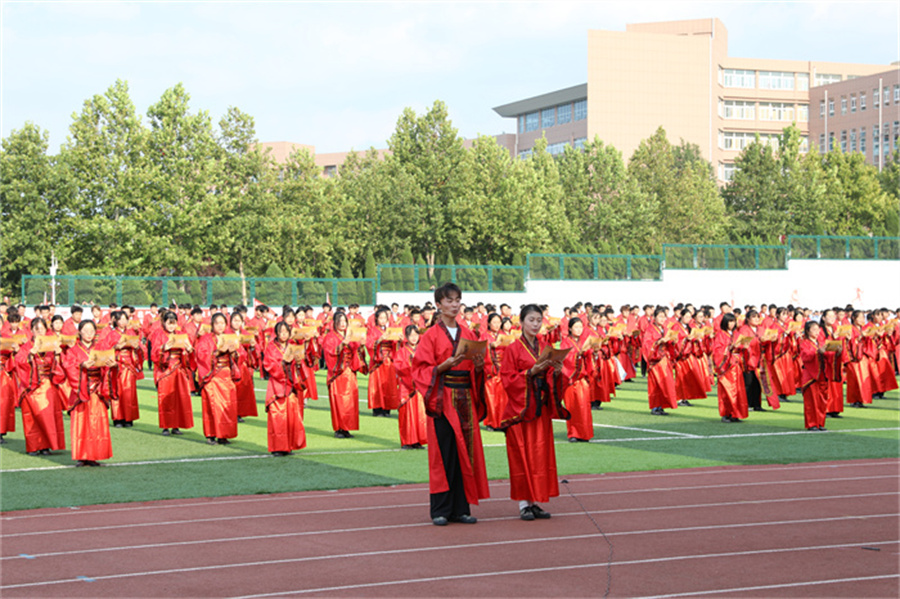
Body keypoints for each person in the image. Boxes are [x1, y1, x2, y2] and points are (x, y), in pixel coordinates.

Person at [412, 283, 489, 526]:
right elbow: (419, 369)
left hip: (465, 397)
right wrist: (441, 367)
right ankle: (441, 509)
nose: (455, 305)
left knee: (464, 452)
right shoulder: (430, 335)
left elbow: (480, 367)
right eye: (449, 300)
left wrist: (479, 367)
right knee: (443, 453)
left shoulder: (469, 333)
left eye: (457, 300)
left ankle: (461, 508)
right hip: (442, 398)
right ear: (438, 304)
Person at [500, 303, 568, 521]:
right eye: (531, 320)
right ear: (521, 322)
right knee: (522, 455)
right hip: (521, 409)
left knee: (539, 455)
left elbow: (551, 377)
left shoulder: (545, 346)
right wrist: (530, 372)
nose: (536, 324)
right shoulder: (512, 349)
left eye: (539, 320)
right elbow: (507, 379)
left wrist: (556, 373)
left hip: (540, 407)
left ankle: (535, 501)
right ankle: (524, 504)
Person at [62, 320, 114, 466]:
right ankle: (82, 455)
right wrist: (81, 366)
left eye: (92, 331)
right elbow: (68, 366)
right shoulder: (73, 350)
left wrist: (112, 366)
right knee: (81, 423)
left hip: (97, 390)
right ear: (79, 332)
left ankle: (94, 455)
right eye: (85, 331)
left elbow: (107, 366)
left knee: (96, 423)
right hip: (81, 390)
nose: (89, 334)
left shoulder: (101, 348)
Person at [14, 318, 67, 455]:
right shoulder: (26, 347)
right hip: (31, 386)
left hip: (48, 385)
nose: (39, 332)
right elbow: (19, 362)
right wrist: (31, 354)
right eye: (36, 329)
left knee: (49, 416)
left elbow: (61, 367)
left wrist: (57, 355)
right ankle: (34, 446)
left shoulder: (51, 346)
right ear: (31, 330)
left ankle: (46, 446)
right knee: (32, 418)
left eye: (42, 329)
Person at [195, 313, 241, 445]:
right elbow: (201, 355)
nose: (220, 326)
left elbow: (241, 354)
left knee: (227, 406)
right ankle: (211, 435)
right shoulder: (206, 339)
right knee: (212, 406)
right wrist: (217, 353)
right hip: (213, 376)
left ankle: (223, 435)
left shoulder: (231, 337)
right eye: (217, 323)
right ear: (212, 325)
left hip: (227, 375)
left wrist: (234, 352)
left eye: (222, 323)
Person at [263, 322, 306, 456]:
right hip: (277, 387)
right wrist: (284, 363)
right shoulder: (271, 347)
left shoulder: (292, 346)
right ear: (276, 333)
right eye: (281, 331)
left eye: (286, 331)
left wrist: (298, 363)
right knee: (278, 417)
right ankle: (277, 447)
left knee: (291, 417)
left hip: (291, 385)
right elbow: (269, 365)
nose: (283, 334)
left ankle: (289, 446)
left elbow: (300, 366)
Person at [322, 312, 365, 438]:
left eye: (344, 321)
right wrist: (343, 344)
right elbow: (329, 353)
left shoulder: (350, 335)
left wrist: (361, 346)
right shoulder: (330, 337)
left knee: (350, 401)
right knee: (339, 400)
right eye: (339, 321)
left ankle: (347, 428)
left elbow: (356, 351)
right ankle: (339, 428)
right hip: (338, 373)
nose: (342, 324)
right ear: (334, 322)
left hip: (350, 372)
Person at [151, 311, 194, 435]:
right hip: (165, 370)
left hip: (179, 369)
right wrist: (164, 348)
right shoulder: (158, 334)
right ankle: (166, 426)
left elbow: (188, 353)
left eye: (173, 323)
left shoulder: (181, 334)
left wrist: (189, 350)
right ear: (163, 323)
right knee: (165, 398)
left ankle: (176, 426)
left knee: (179, 398)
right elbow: (154, 353)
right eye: (169, 323)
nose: (171, 326)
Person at [104, 310, 143, 428]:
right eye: (120, 319)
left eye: (125, 319)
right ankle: (118, 418)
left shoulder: (131, 332)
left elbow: (140, 348)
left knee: (129, 392)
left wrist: (137, 347)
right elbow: (105, 349)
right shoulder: (111, 334)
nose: (123, 321)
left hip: (129, 365)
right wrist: (116, 347)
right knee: (117, 391)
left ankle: (129, 418)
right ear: (115, 321)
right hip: (117, 365)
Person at [394, 325, 427, 449]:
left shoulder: (422, 350)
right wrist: (410, 363)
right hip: (407, 387)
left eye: (416, 335)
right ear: (406, 337)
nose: (414, 338)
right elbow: (399, 367)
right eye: (411, 335)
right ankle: (407, 441)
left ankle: (418, 440)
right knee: (408, 414)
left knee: (420, 414)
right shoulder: (402, 352)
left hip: (420, 387)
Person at [560, 317, 593, 442]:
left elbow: (589, 359)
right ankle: (573, 433)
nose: (579, 330)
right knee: (572, 407)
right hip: (571, 380)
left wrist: (593, 352)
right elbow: (565, 358)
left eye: (580, 327)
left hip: (582, 380)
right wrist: (578, 354)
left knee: (584, 407)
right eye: (576, 327)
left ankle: (584, 433)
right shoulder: (565, 342)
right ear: (570, 328)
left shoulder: (584, 341)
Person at [711, 313, 749, 422]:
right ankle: (726, 414)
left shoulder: (736, 334)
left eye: (733, 321)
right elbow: (717, 351)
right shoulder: (720, 334)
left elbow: (740, 349)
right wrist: (730, 347)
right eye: (730, 321)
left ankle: (735, 414)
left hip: (736, 365)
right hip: (726, 367)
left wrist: (744, 346)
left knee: (738, 391)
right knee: (727, 391)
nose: (732, 324)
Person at [641, 307, 677, 415]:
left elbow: (671, 345)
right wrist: (658, 342)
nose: (662, 319)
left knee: (666, 383)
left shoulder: (665, 329)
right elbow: (647, 345)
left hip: (665, 360)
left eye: (664, 317)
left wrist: (672, 341)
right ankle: (655, 407)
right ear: (654, 317)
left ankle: (661, 406)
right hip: (655, 361)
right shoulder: (650, 330)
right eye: (660, 316)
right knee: (656, 384)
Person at [366, 308, 400, 417]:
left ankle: (387, 409)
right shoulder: (372, 330)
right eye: (381, 318)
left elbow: (396, 346)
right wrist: (380, 340)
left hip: (389, 360)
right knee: (377, 384)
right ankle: (377, 409)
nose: (383, 320)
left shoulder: (391, 330)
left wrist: (398, 340)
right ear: (376, 319)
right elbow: (369, 344)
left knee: (388, 385)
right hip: (378, 361)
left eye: (385, 318)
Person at [480, 313, 510, 430]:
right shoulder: (484, 336)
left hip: (504, 369)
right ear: (489, 323)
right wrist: (490, 346)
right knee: (491, 397)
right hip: (491, 369)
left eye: (499, 322)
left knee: (503, 398)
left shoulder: (503, 335)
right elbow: (479, 350)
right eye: (494, 322)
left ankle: (502, 421)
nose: (497, 325)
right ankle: (491, 422)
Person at [799, 321, 829, 431]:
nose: (817, 332)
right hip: (810, 376)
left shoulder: (821, 342)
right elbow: (806, 356)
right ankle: (812, 424)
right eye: (814, 330)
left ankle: (820, 423)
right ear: (807, 331)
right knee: (811, 401)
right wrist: (818, 352)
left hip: (822, 375)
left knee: (821, 400)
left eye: (818, 329)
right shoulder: (804, 343)